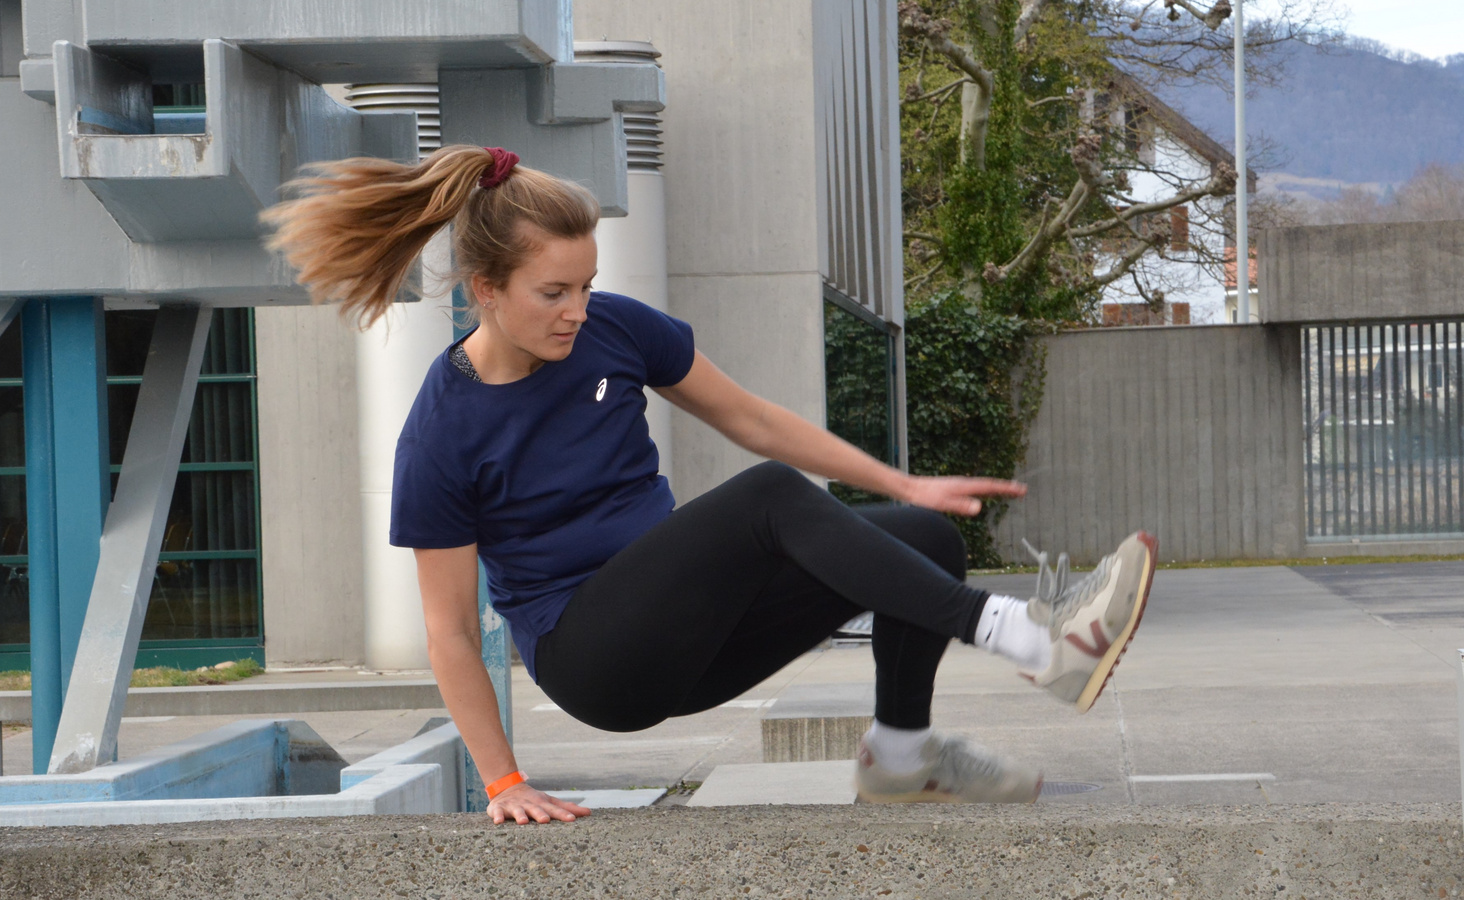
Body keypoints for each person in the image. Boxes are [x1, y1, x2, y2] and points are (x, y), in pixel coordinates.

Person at [261, 145, 1157, 826]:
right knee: (768, 496)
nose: (577, 310)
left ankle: (900, 755)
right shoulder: (441, 433)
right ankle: (1037, 644)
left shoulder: (614, 332)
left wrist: (902, 483)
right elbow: (452, 631)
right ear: (486, 291)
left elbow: (753, 417)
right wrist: (503, 779)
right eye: (553, 293)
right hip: (596, 661)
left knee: (920, 540)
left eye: (587, 286)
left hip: (694, 635)